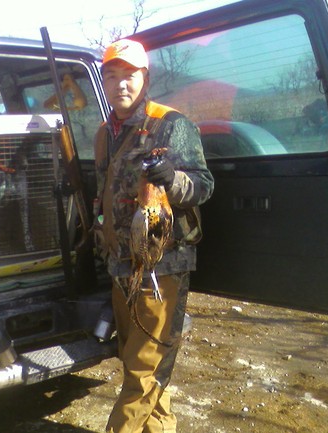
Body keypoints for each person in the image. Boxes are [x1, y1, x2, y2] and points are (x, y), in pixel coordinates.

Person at [92, 39, 214, 433]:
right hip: (120, 266)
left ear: (145, 78)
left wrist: (172, 180)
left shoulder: (171, 124)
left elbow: (204, 185)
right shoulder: (104, 133)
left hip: (162, 268)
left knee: (144, 371)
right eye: (112, 76)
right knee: (139, 364)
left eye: (130, 75)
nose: (120, 84)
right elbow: (103, 190)